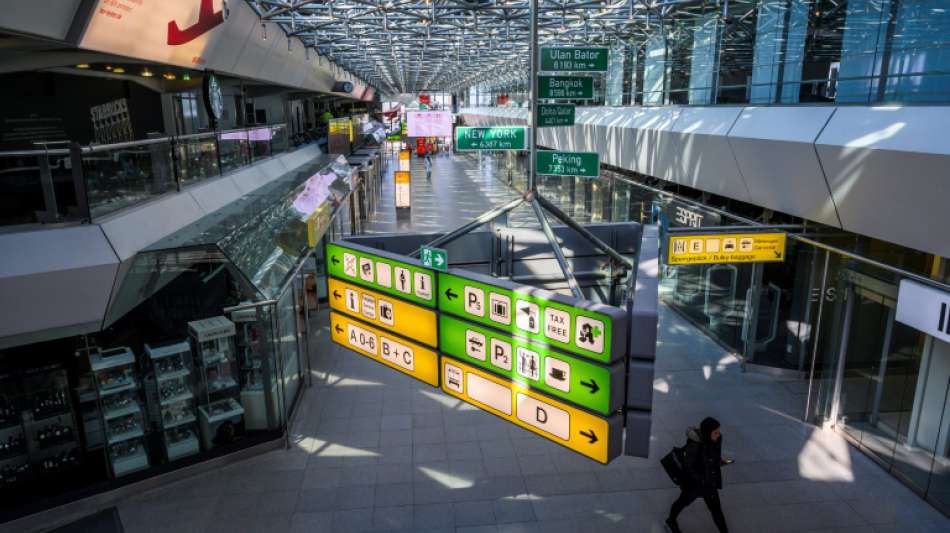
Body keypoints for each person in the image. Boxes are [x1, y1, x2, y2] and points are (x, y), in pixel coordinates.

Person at [666, 417, 731, 533]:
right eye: (715, 432)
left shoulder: (718, 439)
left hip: (710, 481)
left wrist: (719, 462)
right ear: (707, 432)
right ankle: (670, 521)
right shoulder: (694, 446)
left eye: (719, 431)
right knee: (682, 502)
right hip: (695, 484)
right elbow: (688, 467)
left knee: (716, 509)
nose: (718, 434)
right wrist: (701, 479)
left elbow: (715, 455)